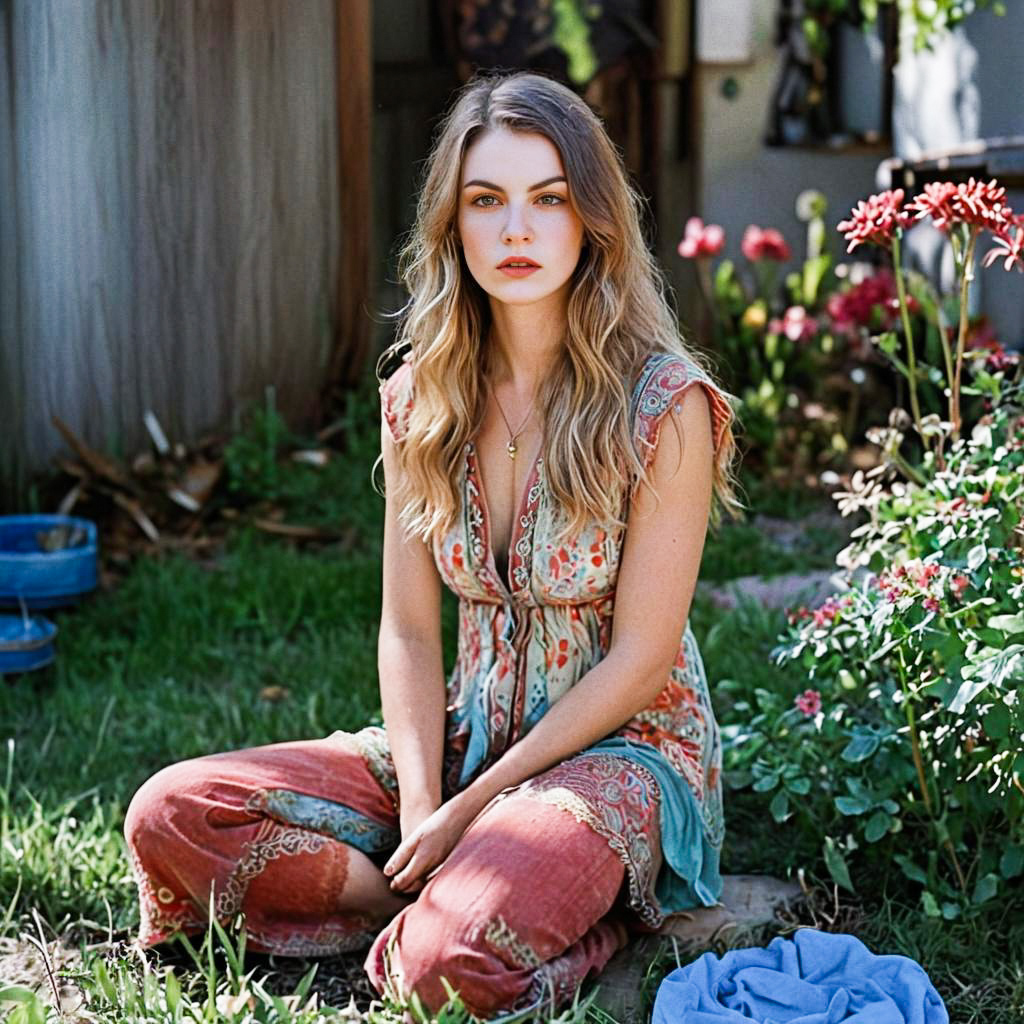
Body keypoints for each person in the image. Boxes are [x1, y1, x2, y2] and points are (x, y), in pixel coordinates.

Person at [123, 70, 741, 1020]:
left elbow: (641, 659)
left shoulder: (663, 406)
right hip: (464, 736)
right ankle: (402, 903)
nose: (518, 231)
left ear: (594, 221)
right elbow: (410, 630)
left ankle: (577, 921)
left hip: (623, 751)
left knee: (444, 969)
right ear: (453, 224)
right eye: (486, 201)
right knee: (171, 812)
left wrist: (473, 808)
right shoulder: (419, 397)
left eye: (550, 199)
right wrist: (423, 806)